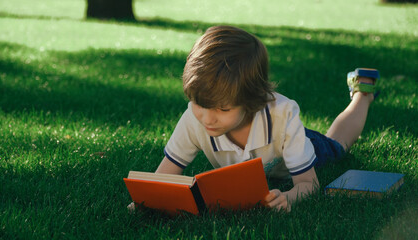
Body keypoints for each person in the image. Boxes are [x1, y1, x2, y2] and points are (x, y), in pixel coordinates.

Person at [129, 25, 379, 212]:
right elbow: (162, 178)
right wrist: (146, 201)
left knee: (337, 146)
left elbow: (308, 184)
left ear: (253, 102)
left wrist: (288, 197)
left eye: (223, 110)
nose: (207, 118)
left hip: (297, 146)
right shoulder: (194, 119)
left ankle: (362, 93)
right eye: (199, 103)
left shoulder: (283, 115)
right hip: (264, 166)